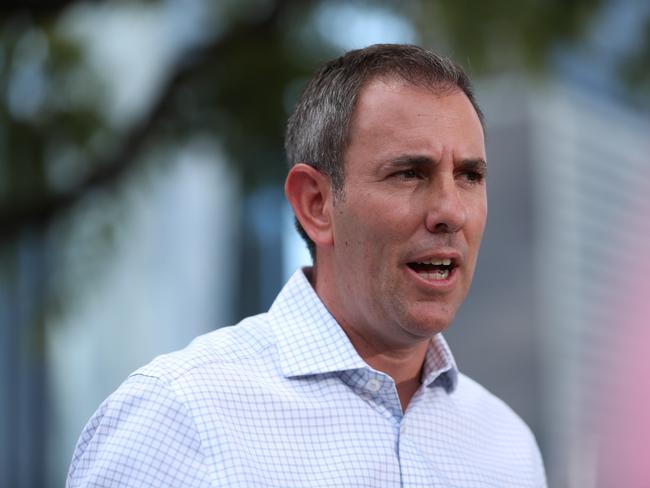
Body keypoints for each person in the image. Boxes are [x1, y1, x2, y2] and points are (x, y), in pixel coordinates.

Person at [67, 44, 546, 487]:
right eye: (408, 173)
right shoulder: (178, 416)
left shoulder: (508, 447)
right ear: (316, 204)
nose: (451, 212)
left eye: (470, 175)